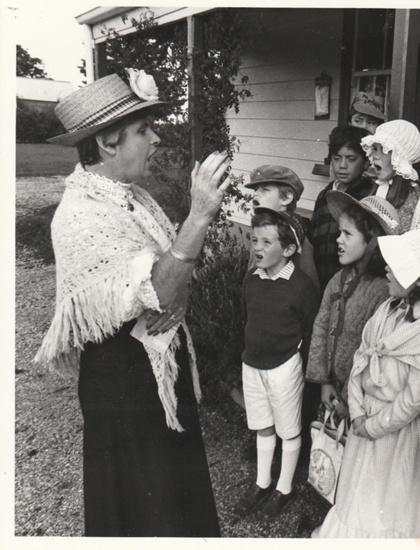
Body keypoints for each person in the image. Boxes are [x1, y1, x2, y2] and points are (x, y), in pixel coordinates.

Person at [34, 71, 229, 536]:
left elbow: (168, 280)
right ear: (106, 141)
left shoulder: (132, 197)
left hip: (155, 369)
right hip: (124, 385)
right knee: (146, 509)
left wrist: (166, 281)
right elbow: (161, 290)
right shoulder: (81, 215)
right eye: (144, 130)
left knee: (175, 502)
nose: (156, 138)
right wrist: (199, 215)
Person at [313, 230, 420, 538]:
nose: (387, 269)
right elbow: (361, 359)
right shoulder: (388, 308)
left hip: (397, 433)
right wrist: (357, 412)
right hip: (366, 417)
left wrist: (373, 425)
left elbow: (415, 399)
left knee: (386, 509)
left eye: (397, 264)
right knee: (356, 500)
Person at [236, 209, 320, 520]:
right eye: (255, 240)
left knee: (288, 429)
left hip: (285, 365)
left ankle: (284, 488)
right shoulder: (251, 279)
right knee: (263, 424)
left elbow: (310, 327)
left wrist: (299, 358)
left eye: (266, 242)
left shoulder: (300, 286)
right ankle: (262, 482)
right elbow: (249, 316)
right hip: (253, 363)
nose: (257, 247)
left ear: (288, 250)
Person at [305, 193, 398, 421]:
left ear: (372, 242)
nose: (338, 239)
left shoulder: (382, 290)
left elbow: (372, 354)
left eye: (347, 234)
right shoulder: (338, 279)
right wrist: (324, 382)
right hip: (332, 387)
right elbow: (321, 327)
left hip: (360, 399)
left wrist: (349, 399)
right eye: (339, 232)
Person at [309, 126, 377, 289]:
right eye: (337, 158)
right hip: (320, 276)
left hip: (350, 282)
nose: (343, 165)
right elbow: (313, 237)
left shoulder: (368, 197)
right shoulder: (325, 195)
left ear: (366, 161)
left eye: (351, 159)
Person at [244, 164, 319, 290]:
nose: (256, 194)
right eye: (255, 190)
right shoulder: (260, 235)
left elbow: (310, 290)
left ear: (286, 199)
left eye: (265, 190)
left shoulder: (298, 242)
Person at [361, 119, 420, 233]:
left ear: (399, 156)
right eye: (375, 149)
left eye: (383, 149)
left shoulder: (416, 197)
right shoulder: (373, 187)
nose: (375, 156)